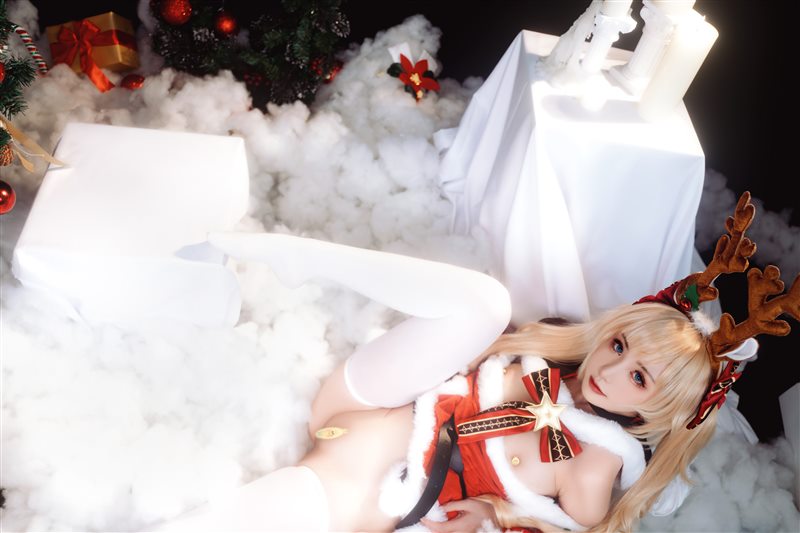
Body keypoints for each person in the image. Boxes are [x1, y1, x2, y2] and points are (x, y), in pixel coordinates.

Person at [156, 193, 797, 532]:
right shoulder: (553, 352)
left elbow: (565, 529)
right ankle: (301, 257)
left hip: (368, 492)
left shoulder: (597, 465)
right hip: (362, 405)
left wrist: (496, 513)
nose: (608, 369)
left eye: (638, 378)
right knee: (488, 303)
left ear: (661, 407)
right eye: (619, 345)